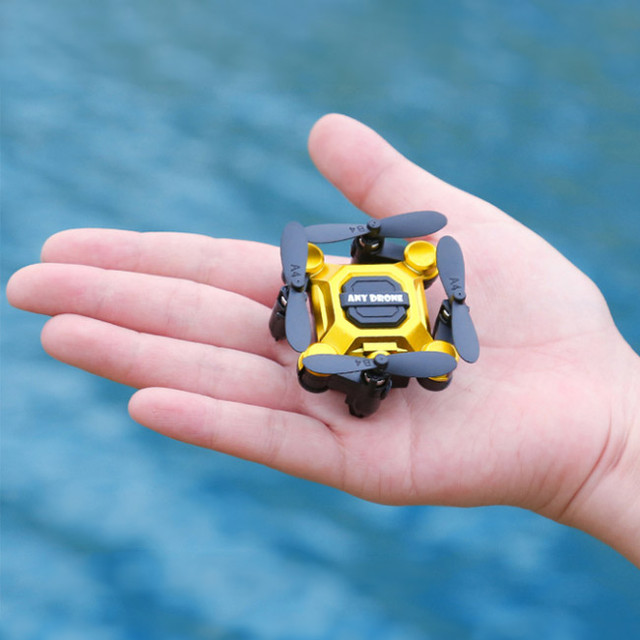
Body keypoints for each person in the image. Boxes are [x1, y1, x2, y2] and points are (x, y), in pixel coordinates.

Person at [7, 113, 640, 567]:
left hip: (383, 344)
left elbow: (417, 306)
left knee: (383, 365)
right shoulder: (356, 284)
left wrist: (610, 452)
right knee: (342, 359)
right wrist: (609, 453)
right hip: (362, 335)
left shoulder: (405, 283)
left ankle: (371, 370)